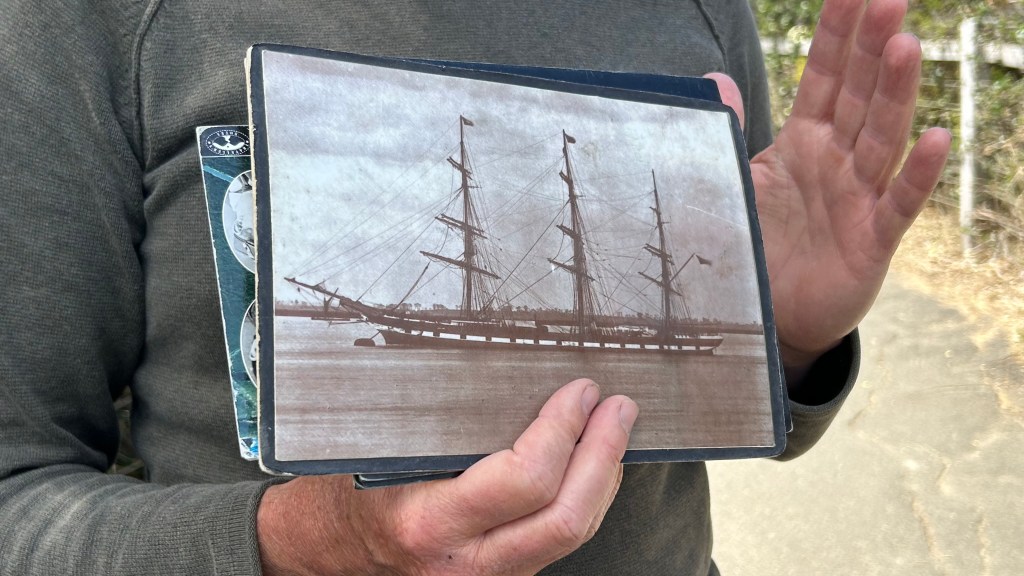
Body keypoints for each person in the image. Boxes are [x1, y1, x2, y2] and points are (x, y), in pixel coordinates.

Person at [0, 0, 950, 574]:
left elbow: (738, 403)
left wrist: (782, 342)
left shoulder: (700, 9)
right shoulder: (100, 22)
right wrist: (306, 547)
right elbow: (19, 501)